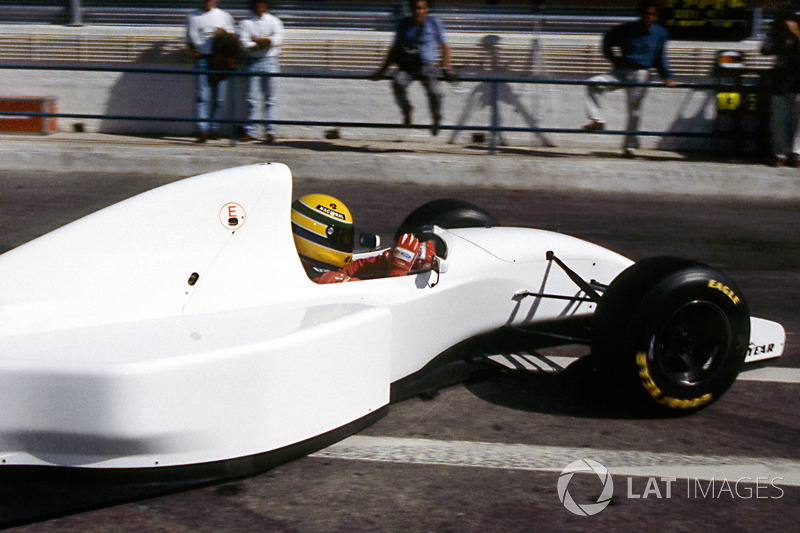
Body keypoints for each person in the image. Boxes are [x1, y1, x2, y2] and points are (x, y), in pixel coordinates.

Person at [582, 0, 675, 157]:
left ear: (656, 16)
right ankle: (597, 119)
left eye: (652, 14)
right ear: (640, 14)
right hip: (622, 71)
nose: (648, 17)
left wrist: (666, 77)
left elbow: (661, 57)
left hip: (641, 74)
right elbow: (607, 39)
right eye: (646, 13)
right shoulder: (627, 29)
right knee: (594, 83)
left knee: (635, 112)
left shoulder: (660, 33)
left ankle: (630, 147)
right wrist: (614, 59)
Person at [290, 194, 436, 284]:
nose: (347, 242)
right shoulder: (328, 281)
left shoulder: (310, 268)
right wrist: (398, 270)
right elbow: (380, 303)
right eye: (341, 237)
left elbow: (352, 268)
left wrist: (386, 259)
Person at [371, 0, 456, 136]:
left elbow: (444, 46)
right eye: (416, 8)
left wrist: (447, 67)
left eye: (422, 8)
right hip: (408, 66)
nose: (419, 11)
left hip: (427, 65)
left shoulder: (434, 22)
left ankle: (436, 118)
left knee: (434, 92)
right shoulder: (403, 24)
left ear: (427, 9)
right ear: (411, 9)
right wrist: (382, 71)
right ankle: (407, 110)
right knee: (397, 83)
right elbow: (394, 48)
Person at [185, 0, 235, 143]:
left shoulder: (224, 16)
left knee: (219, 97)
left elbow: (232, 39)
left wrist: (223, 33)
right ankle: (202, 130)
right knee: (202, 96)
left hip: (220, 60)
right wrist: (194, 52)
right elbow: (188, 39)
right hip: (202, 60)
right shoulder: (192, 16)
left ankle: (214, 128)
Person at [238, 0, 284, 144]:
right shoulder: (245, 23)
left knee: (270, 99)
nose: (260, 6)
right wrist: (265, 43)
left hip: (270, 61)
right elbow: (244, 43)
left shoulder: (274, 21)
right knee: (252, 98)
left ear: (266, 5)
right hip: (252, 62)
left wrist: (258, 41)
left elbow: (277, 40)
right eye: (257, 3)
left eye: (262, 3)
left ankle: (270, 132)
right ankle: (250, 131)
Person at [761, 3, 800, 167]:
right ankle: (780, 154)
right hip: (782, 78)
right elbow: (765, 49)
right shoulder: (778, 30)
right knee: (779, 117)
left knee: (798, 119)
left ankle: (796, 153)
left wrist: (796, 34)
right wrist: (778, 35)